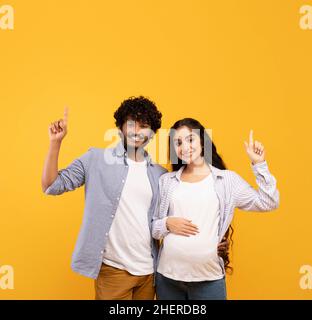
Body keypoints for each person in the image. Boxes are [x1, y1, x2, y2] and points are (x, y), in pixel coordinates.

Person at [42, 98, 230, 300]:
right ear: (121, 127)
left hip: (150, 273)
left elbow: (174, 218)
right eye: (131, 124)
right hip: (114, 270)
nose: (137, 131)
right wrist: (55, 143)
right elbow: (51, 186)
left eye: (144, 126)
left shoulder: (160, 175)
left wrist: (210, 242)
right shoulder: (95, 159)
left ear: (152, 133)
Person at [152, 118, 280, 300]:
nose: (184, 147)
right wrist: (167, 223)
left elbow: (269, 202)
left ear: (202, 141)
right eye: (178, 143)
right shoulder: (167, 181)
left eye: (190, 139)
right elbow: (154, 229)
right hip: (168, 278)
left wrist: (259, 164)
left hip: (208, 278)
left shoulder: (226, 180)